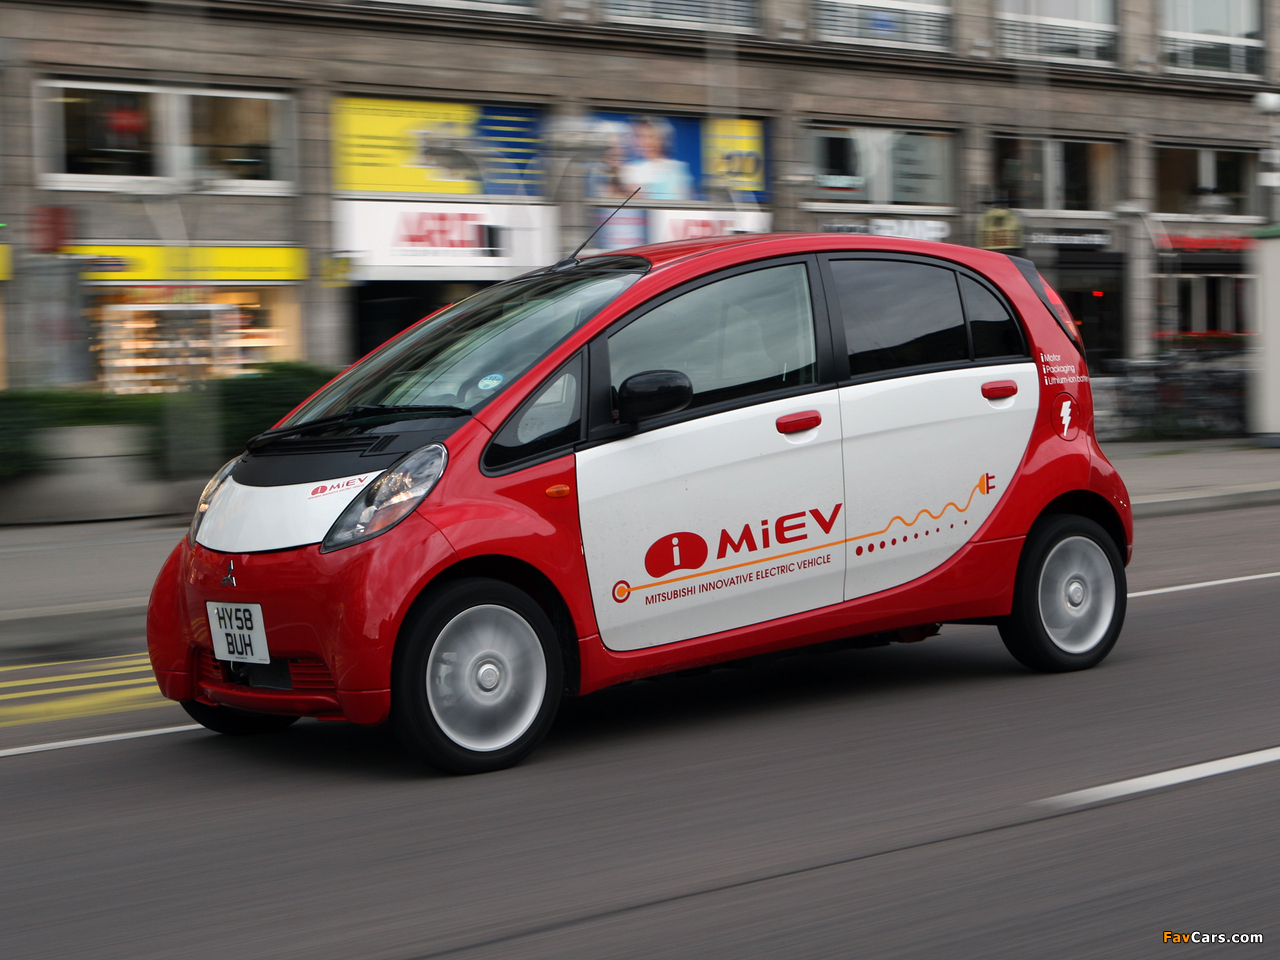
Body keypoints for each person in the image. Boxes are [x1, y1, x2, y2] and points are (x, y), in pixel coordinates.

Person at [621, 116, 693, 201]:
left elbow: (685, 201)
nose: (645, 142)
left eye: (650, 137)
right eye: (639, 137)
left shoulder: (677, 168)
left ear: (661, 139)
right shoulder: (629, 170)